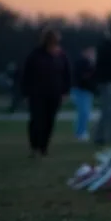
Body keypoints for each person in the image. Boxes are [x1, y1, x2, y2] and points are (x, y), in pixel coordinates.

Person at [21, 28, 71, 157]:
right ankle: (35, 146)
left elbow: (66, 74)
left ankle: (44, 146)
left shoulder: (61, 55)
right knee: (36, 120)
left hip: (54, 92)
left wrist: (65, 91)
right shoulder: (36, 55)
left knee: (49, 120)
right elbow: (27, 74)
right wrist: (26, 93)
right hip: (37, 93)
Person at [71, 46, 97, 141]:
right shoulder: (82, 62)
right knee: (83, 112)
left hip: (87, 90)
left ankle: (81, 131)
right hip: (80, 90)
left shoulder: (89, 63)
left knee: (85, 113)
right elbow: (82, 76)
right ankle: (80, 132)